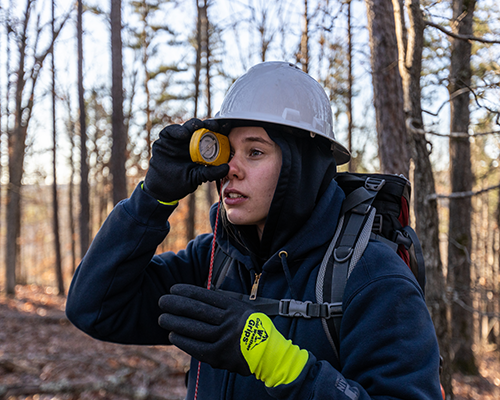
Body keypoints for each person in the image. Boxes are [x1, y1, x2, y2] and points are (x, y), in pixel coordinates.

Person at [66, 61, 442, 400]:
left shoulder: (372, 277)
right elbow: (94, 308)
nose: (232, 168)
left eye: (255, 152)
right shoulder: (215, 260)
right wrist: (154, 198)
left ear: (302, 166)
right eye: (229, 152)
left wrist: (282, 366)